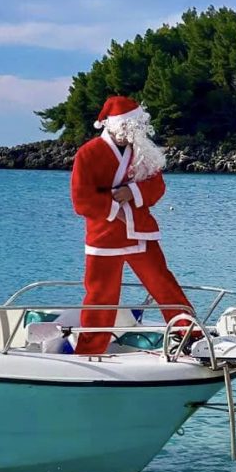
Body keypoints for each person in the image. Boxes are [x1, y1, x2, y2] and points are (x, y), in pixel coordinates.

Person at [70, 96, 194, 355]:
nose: (130, 137)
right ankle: (89, 351)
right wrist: (115, 205)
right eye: (127, 130)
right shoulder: (89, 153)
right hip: (104, 235)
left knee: (163, 284)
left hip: (140, 232)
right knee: (100, 297)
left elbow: (157, 187)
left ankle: (189, 335)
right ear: (112, 126)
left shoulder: (142, 152)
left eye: (134, 131)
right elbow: (81, 200)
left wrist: (132, 191)